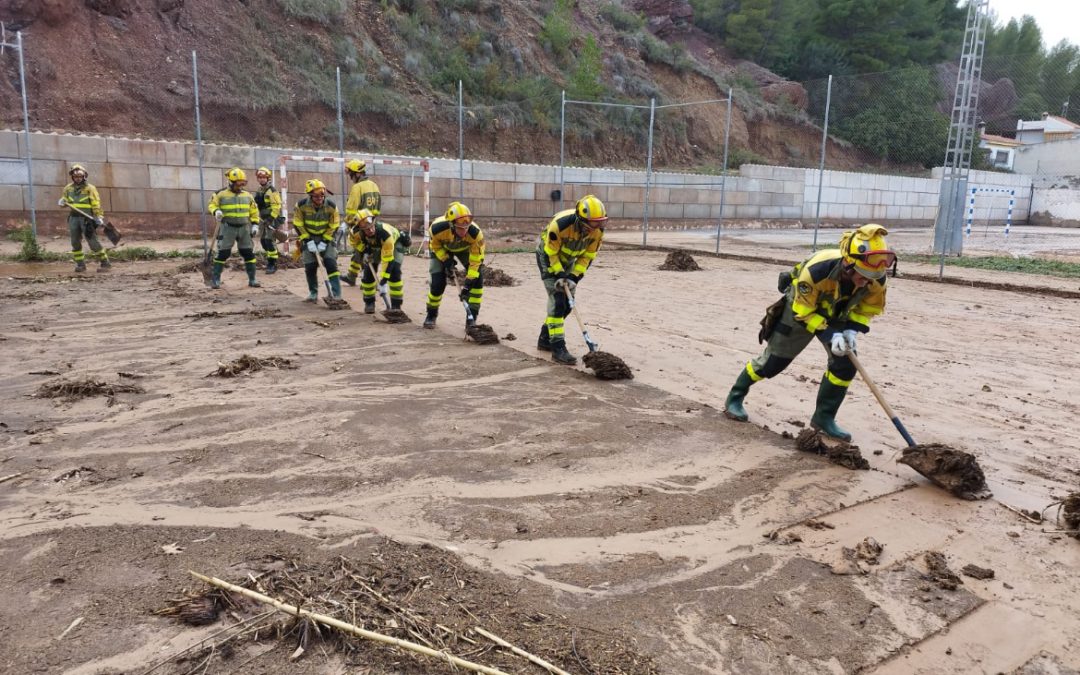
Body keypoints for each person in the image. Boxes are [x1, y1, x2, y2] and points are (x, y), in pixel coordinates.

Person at [723, 224, 895, 441]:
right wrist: (831, 335)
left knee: (845, 365)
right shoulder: (816, 271)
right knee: (773, 362)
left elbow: (868, 308)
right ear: (848, 264)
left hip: (837, 311)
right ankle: (735, 397)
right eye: (862, 275)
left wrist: (852, 330)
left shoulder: (876, 278)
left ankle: (824, 418)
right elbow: (804, 311)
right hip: (800, 309)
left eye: (871, 277)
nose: (866, 281)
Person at [535, 195, 607, 365]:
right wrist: (559, 274)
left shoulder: (598, 232)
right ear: (581, 219)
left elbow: (588, 257)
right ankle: (557, 347)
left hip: (569, 261)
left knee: (568, 304)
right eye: (593, 223)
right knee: (558, 301)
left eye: (600, 222)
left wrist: (575, 276)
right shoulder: (560, 225)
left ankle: (545, 338)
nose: (596, 227)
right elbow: (551, 253)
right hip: (548, 258)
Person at [423, 201, 485, 329]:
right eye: (460, 228)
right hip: (442, 250)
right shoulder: (436, 229)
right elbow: (435, 246)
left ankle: (471, 319)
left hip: (464, 249)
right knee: (437, 284)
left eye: (466, 228)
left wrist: (468, 283)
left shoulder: (475, 234)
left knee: (477, 281)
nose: (464, 232)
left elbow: (476, 260)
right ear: (451, 224)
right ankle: (431, 314)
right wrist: (445, 260)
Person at [207, 167, 261, 289]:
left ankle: (252, 279)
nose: (241, 186)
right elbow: (211, 204)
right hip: (228, 228)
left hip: (244, 228)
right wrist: (216, 211)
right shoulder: (220, 194)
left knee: (248, 253)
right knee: (223, 253)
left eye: (243, 183)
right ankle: (216, 279)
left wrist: (255, 224)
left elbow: (254, 211)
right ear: (231, 182)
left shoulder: (247, 196)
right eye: (238, 183)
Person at [347, 208, 407, 314]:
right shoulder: (355, 233)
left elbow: (387, 260)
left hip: (394, 244)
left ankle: (396, 306)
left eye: (371, 227)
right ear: (360, 229)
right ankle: (369, 302)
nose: (370, 230)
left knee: (394, 272)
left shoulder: (385, 233)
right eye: (366, 229)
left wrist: (383, 281)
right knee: (368, 273)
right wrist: (364, 251)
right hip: (373, 246)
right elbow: (354, 243)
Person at [292, 179, 342, 302]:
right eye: (316, 196)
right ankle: (313, 293)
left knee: (331, 264)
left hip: (326, 237)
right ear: (310, 195)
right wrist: (308, 240)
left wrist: (325, 242)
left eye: (321, 195)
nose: (319, 198)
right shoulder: (301, 205)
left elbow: (334, 225)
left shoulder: (331, 207)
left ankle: (336, 294)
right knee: (310, 266)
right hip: (308, 237)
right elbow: (298, 224)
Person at [58, 164, 110, 272]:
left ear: (84, 176)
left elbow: (96, 203)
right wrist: (62, 202)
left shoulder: (90, 188)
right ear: (72, 177)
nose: (78, 178)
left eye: (80, 176)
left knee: (92, 242)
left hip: (87, 219)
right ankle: (80, 265)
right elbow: (65, 201)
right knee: (75, 242)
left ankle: (105, 263)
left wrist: (98, 216)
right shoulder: (68, 188)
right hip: (73, 219)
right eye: (76, 176)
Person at [341, 159, 382, 286]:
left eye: (351, 174)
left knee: (363, 251)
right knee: (361, 251)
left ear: (357, 174)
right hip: (372, 224)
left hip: (360, 225)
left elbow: (351, 209)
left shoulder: (357, 187)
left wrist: (347, 223)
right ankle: (352, 276)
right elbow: (378, 206)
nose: (350, 177)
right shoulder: (374, 185)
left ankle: (369, 280)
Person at [253, 166, 284, 274]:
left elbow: (276, 206)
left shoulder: (272, 190)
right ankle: (272, 255)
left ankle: (272, 263)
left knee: (269, 240)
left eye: (263, 177)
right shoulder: (260, 189)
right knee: (263, 241)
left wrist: (270, 219)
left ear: (268, 178)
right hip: (262, 218)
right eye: (259, 177)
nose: (261, 179)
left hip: (272, 218)